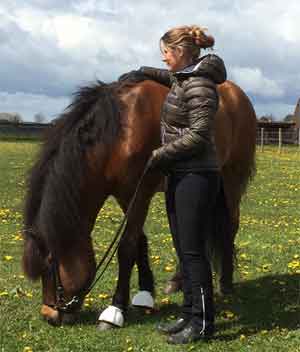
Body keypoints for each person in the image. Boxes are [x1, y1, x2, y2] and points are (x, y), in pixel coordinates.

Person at [121, 25, 226, 344]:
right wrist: (141, 71)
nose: (163, 59)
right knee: (184, 248)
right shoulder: (185, 79)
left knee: (193, 253)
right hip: (179, 174)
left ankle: (204, 323)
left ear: (181, 52)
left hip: (197, 176)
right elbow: (169, 78)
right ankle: (189, 312)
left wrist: (159, 154)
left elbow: (199, 135)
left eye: (165, 53)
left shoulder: (201, 86)